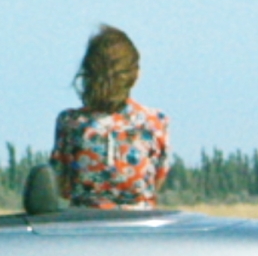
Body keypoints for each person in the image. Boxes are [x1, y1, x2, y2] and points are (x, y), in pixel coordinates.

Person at [51, 25, 171, 208]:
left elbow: (61, 186)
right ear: (134, 75)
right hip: (141, 229)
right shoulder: (155, 122)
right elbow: (157, 181)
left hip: (84, 228)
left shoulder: (71, 123)